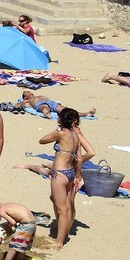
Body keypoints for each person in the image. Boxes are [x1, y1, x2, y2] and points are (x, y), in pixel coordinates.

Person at [38, 107, 93, 250]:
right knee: (67, 206)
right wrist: (77, 174)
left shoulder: (61, 134)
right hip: (69, 172)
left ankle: (59, 241)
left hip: (60, 173)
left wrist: (57, 131)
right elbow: (80, 158)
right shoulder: (76, 135)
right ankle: (64, 233)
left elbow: (42, 140)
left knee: (62, 209)